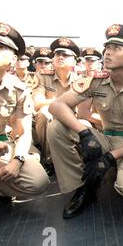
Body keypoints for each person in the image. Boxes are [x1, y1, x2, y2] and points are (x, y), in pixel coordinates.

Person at [47, 24, 123, 219]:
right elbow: (56, 106)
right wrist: (84, 132)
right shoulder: (95, 81)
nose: (108, 53)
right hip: (103, 137)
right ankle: (83, 189)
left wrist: (110, 157)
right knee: (56, 127)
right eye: (108, 48)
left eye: (116, 48)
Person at [0, 22, 49, 228]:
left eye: (2, 46)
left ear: (14, 59)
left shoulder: (18, 89)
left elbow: (24, 132)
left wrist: (17, 160)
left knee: (38, 181)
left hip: (1, 149)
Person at [33, 38, 81, 171]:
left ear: (75, 61)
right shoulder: (43, 76)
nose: (60, 57)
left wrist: (58, 103)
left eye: (65, 55)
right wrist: (62, 103)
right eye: (57, 54)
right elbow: (37, 103)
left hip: (73, 118)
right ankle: (49, 160)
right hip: (50, 116)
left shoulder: (81, 80)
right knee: (43, 114)